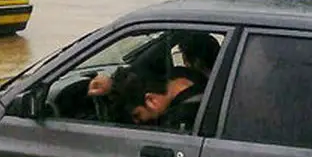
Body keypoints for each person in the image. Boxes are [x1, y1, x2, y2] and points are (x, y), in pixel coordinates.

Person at [88, 31, 220, 98]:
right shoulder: (222, 87)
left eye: (183, 57)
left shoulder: (192, 92)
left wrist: (112, 84)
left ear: (195, 62)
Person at [105, 65, 205, 132]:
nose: (140, 122)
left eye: (138, 116)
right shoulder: (192, 76)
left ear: (151, 100)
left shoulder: (180, 120)